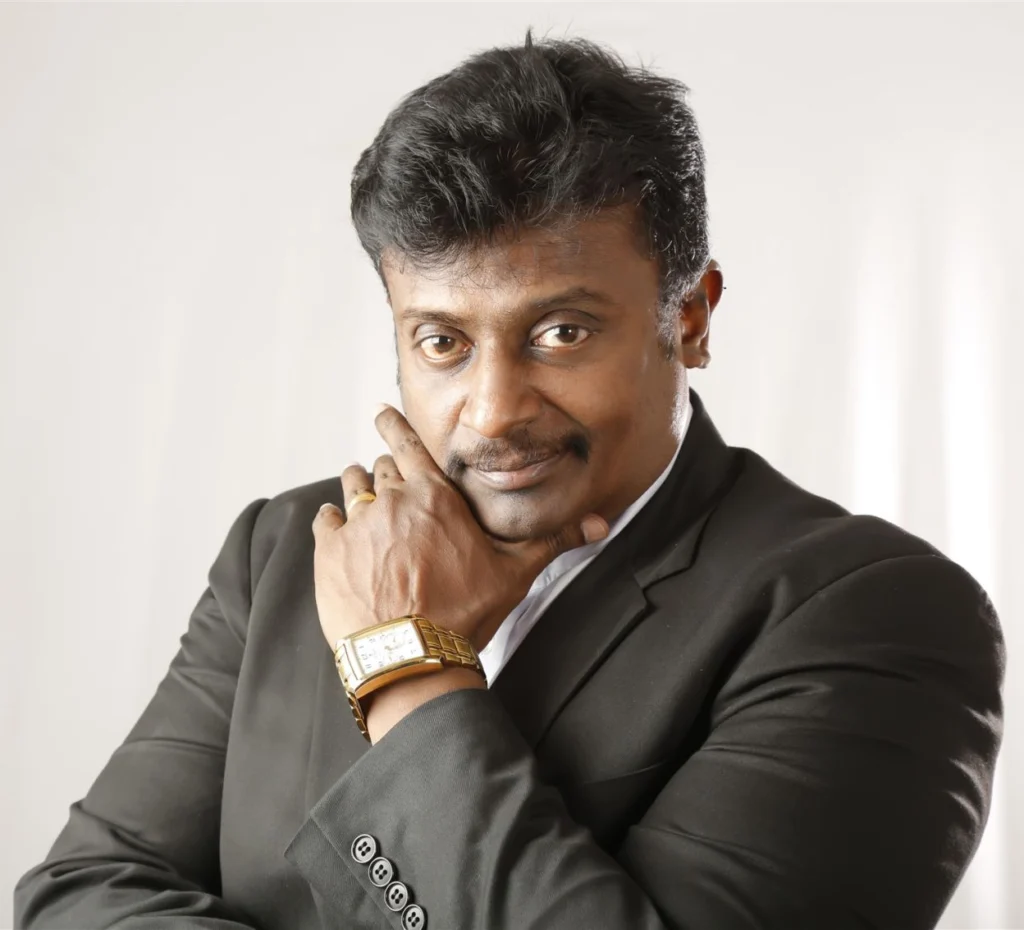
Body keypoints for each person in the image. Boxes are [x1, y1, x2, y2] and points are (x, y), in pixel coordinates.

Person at [15, 31, 1004, 930]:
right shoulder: (286, 549)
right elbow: (78, 895)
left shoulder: (873, 615)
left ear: (691, 318)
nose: (491, 412)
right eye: (441, 342)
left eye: (560, 333)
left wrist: (407, 668)